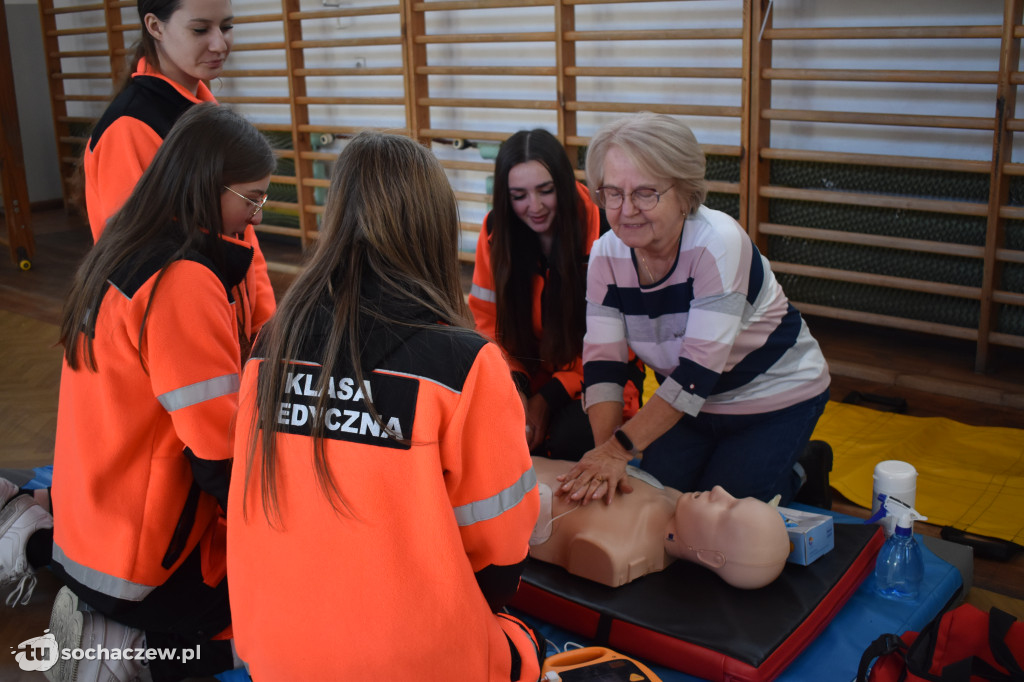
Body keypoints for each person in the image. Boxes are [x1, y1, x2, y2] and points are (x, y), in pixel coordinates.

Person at [227, 131, 544, 681]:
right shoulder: (465, 364)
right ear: (434, 224)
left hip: (273, 649)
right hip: (409, 663)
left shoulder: (269, 345)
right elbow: (500, 558)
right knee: (523, 645)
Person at [23, 103, 274, 682]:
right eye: (253, 198)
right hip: (142, 565)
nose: (257, 217)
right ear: (211, 187)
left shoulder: (128, 244)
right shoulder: (183, 281)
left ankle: (37, 543)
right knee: (282, 612)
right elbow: (221, 462)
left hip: (92, 530)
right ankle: (128, 650)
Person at [558, 112, 831, 508]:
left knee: (717, 519)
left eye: (645, 193)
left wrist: (620, 452)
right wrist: (606, 454)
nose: (626, 209)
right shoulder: (606, 254)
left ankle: (804, 468)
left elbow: (696, 373)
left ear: (686, 193)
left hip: (773, 399)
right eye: (612, 193)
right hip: (690, 406)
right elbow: (604, 364)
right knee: (654, 502)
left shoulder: (717, 244)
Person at [469, 129, 641, 460]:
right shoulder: (495, 232)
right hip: (528, 373)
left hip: (600, 373)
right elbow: (486, 325)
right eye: (518, 195)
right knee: (489, 432)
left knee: (571, 438)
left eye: (545, 191)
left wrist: (549, 396)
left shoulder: (606, 231)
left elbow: (617, 345)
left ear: (562, 184)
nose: (534, 207)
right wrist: (515, 387)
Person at [530, 457, 790, 590]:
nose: (720, 491)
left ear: (711, 558)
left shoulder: (619, 551)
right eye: (734, 498)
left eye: (726, 510)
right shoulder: (674, 500)